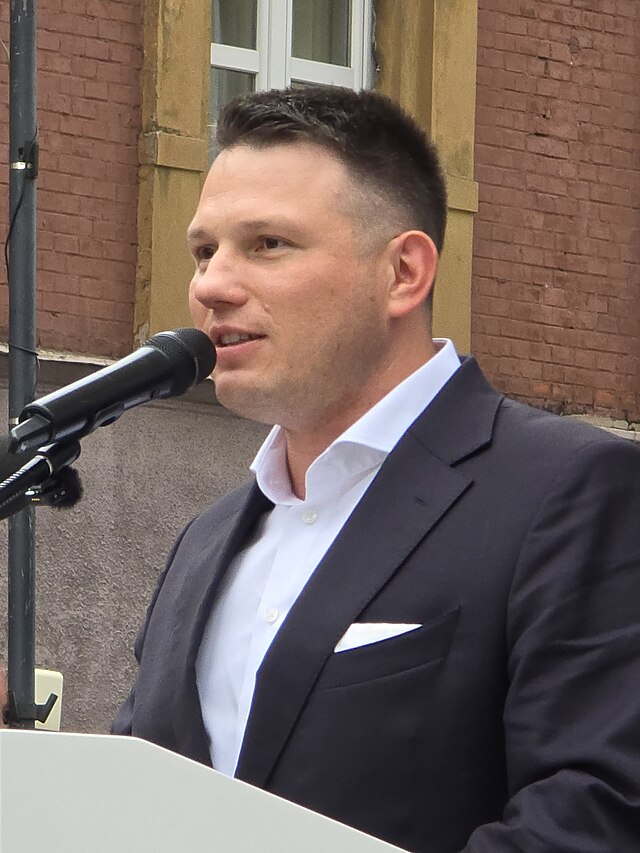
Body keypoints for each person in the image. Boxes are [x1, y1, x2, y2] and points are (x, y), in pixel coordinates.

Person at [112, 87, 640, 852]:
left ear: (403, 272)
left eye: (268, 243)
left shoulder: (570, 491)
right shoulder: (205, 541)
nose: (211, 285)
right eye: (204, 251)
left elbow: (597, 812)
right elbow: (136, 801)